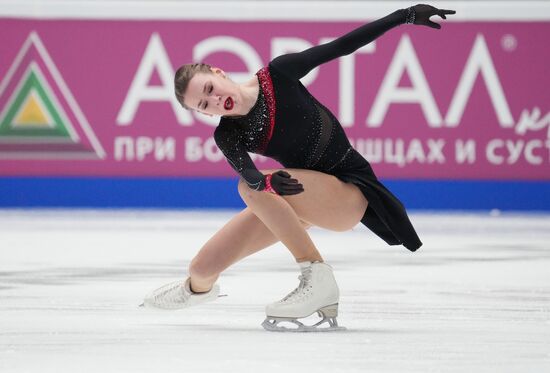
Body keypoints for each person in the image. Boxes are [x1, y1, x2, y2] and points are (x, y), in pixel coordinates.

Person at [142, 4, 456, 331]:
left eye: (209, 89)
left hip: (348, 191)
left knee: (247, 189)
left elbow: (342, 46)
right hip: (302, 197)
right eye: (204, 105)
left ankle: (315, 275)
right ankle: (196, 292)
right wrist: (269, 184)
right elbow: (251, 175)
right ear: (204, 114)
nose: (215, 101)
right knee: (201, 268)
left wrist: (403, 16)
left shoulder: (278, 74)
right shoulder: (228, 134)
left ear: (219, 73)